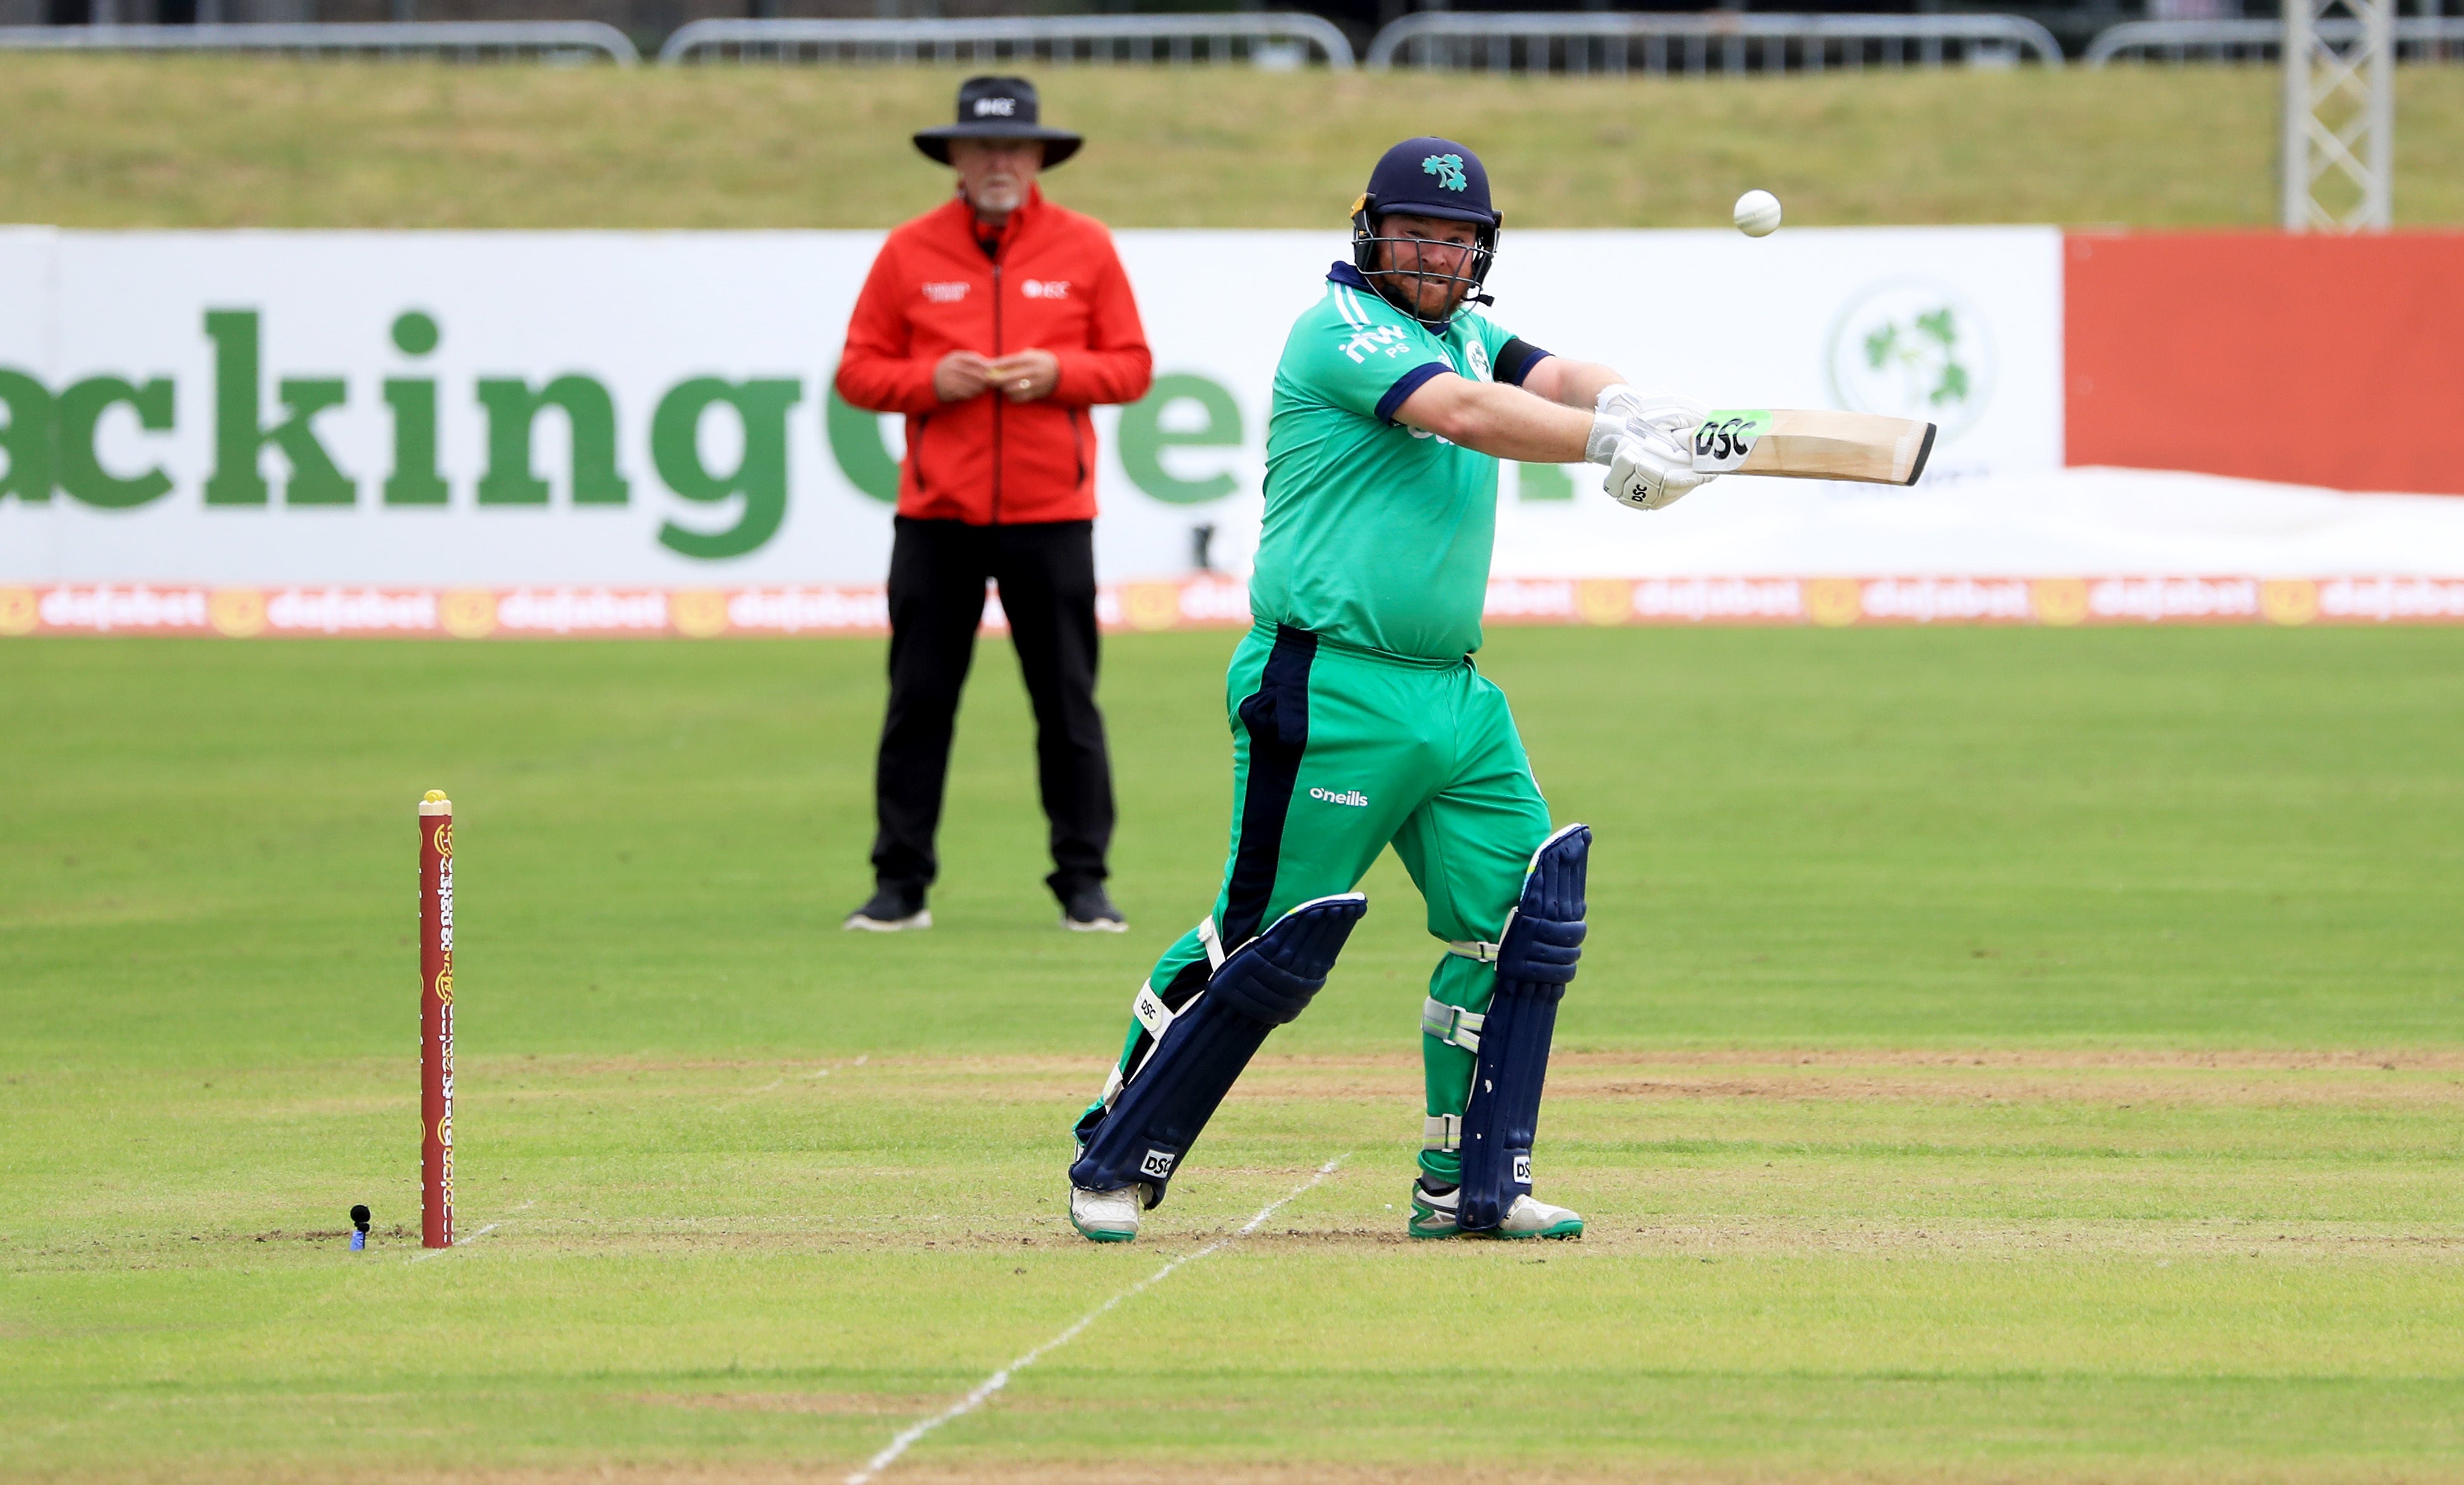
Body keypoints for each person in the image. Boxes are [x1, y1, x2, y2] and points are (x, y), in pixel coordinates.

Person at [1061, 138, 1722, 1243]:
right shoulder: (1340, 329)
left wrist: (1635, 402)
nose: (1435, 253)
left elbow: (1549, 376)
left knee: (1522, 925)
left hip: (1453, 696)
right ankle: (1115, 1151)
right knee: (1264, 940)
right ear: (1370, 232)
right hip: (1327, 682)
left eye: (1457, 239)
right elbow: (1464, 413)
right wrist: (1611, 441)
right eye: (1416, 232)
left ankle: (1467, 1185)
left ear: (1482, 251)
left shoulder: (1465, 324)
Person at [836, 76, 1153, 935]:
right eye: (982, 148)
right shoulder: (908, 251)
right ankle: (899, 885)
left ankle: (1082, 883)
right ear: (956, 158)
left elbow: (1129, 366)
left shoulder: (1084, 246)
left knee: (1066, 705)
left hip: (1052, 514)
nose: (999, 161)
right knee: (918, 703)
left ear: (1040, 154)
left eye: (1014, 146)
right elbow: (857, 372)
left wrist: (1061, 374)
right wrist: (926, 383)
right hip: (936, 517)